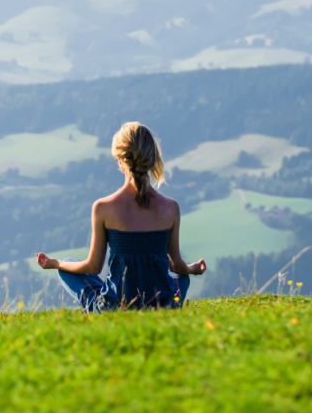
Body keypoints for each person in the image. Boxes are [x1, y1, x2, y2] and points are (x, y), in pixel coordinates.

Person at [36, 121, 206, 311]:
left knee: (67, 265)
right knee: (180, 278)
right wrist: (192, 269)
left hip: (116, 307)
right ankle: (165, 306)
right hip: (162, 306)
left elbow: (93, 267)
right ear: (152, 158)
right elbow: (177, 267)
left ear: (119, 159)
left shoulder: (103, 207)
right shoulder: (171, 208)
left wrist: (55, 263)